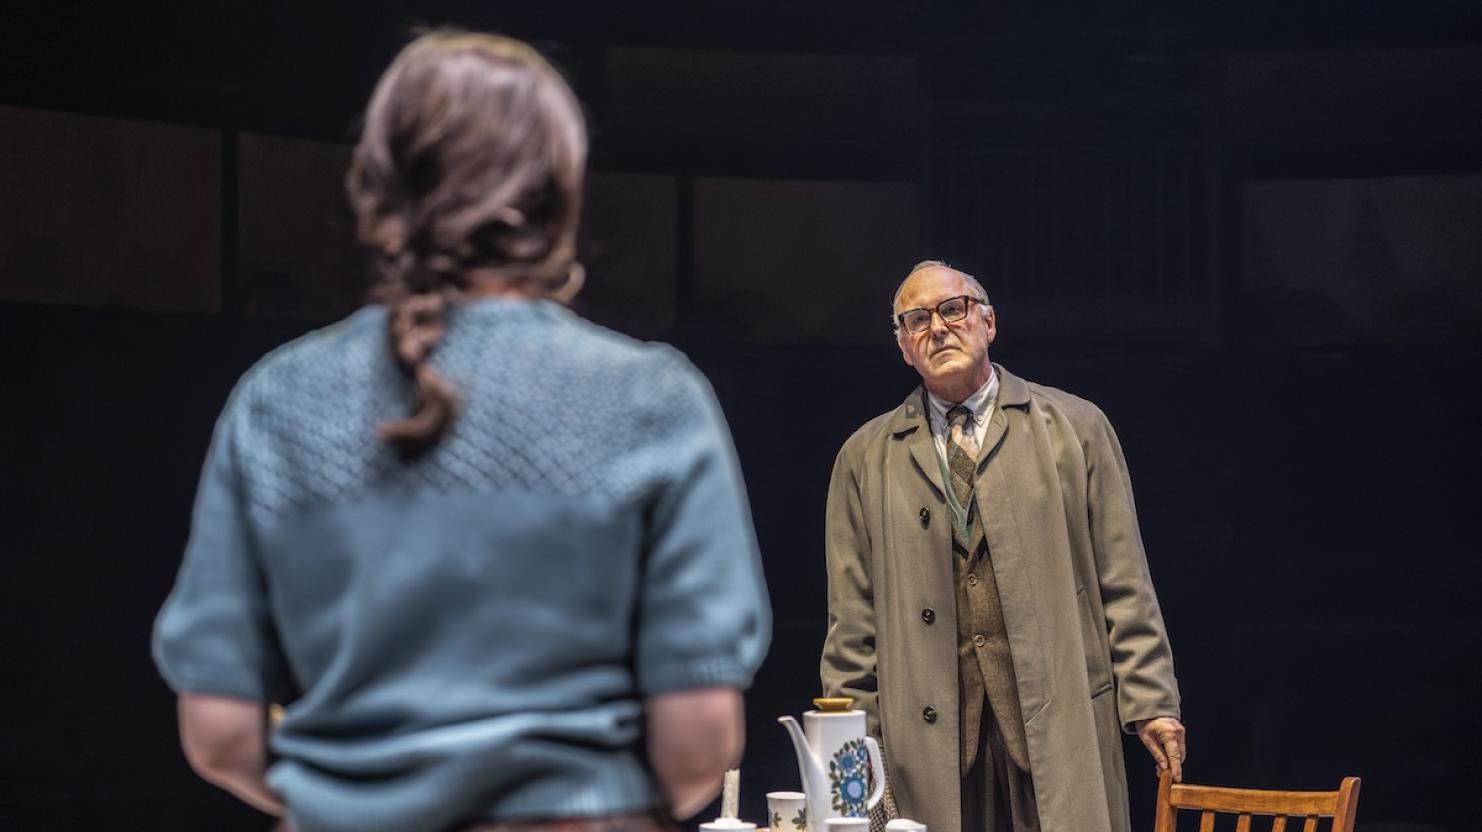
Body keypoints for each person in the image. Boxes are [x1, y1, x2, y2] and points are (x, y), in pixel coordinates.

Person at [152, 31, 770, 832]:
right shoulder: (654, 399)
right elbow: (700, 744)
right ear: (558, 191)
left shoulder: (275, 401)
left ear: (379, 184)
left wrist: (346, 800)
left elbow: (219, 732)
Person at [819, 261, 1183, 832]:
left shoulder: (1075, 429)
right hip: (930, 740)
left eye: (952, 309)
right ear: (904, 348)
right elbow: (851, 621)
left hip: (1056, 720)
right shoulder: (865, 458)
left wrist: (1151, 700)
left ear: (988, 322)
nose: (938, 328)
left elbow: (1124, 582)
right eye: (917, 320)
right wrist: (850, 743)